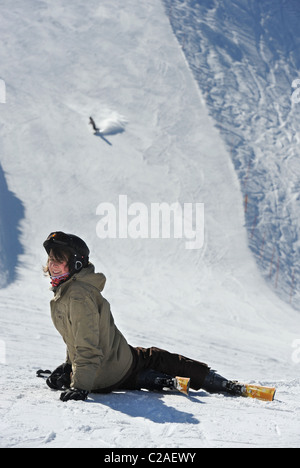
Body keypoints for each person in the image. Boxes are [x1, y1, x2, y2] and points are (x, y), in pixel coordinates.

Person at [43, 231, 241, 402]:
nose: (53, 265)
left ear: (76, 263)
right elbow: (83, 343)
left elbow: (78, 338)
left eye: (59, 260)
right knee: (154, 357)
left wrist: (72, 371)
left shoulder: (70, 293)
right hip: (109, 370)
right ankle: (218, 382)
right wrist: (77, 381)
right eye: (51, 259)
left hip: (96, 376)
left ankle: (146, 379)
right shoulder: (77, 293)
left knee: (133, 364)